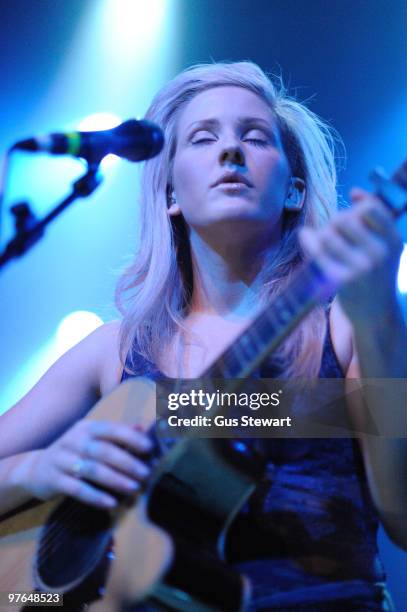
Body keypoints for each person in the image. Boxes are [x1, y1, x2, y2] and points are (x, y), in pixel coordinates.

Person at [0, 61, 406, 611]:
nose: (230, 150)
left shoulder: (346, 329)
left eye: (255, 137)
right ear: (170, 193)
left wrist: (378, 309)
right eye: (203, 137)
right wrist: (43, 468)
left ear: (293, 191)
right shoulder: (116, 349)